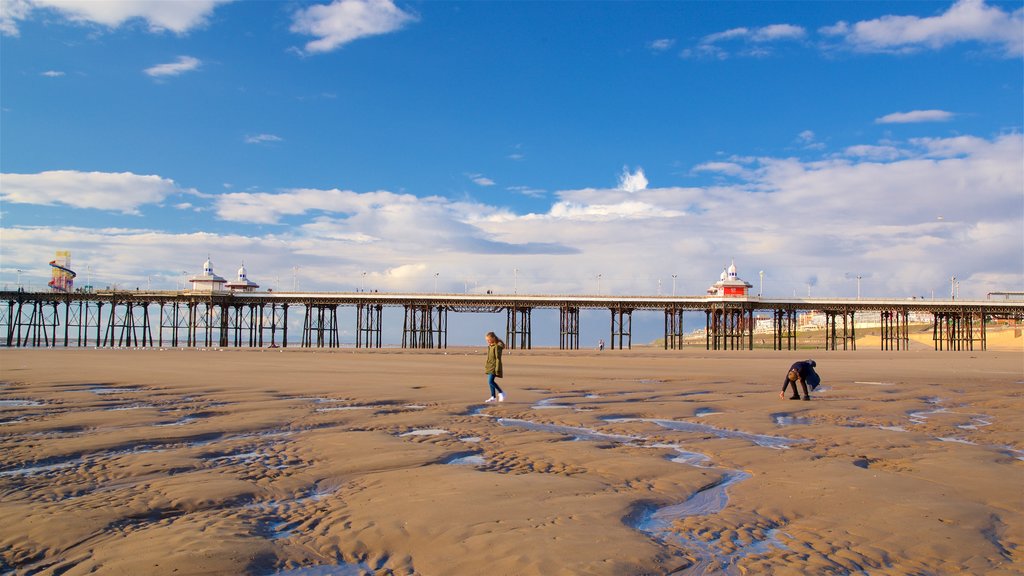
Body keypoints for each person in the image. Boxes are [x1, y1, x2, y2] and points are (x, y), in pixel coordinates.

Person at [484, 331, 506, 403]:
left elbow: (497, 359)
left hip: (494, 367)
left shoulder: (497, 347)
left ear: (493, 338)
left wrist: (497, 369)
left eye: (489, 340)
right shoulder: (490, 346)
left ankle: (501, 393)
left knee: (490, 381)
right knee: (490, 382)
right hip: (489, 366)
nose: (488, 341)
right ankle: (493, 397)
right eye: (487, 340)